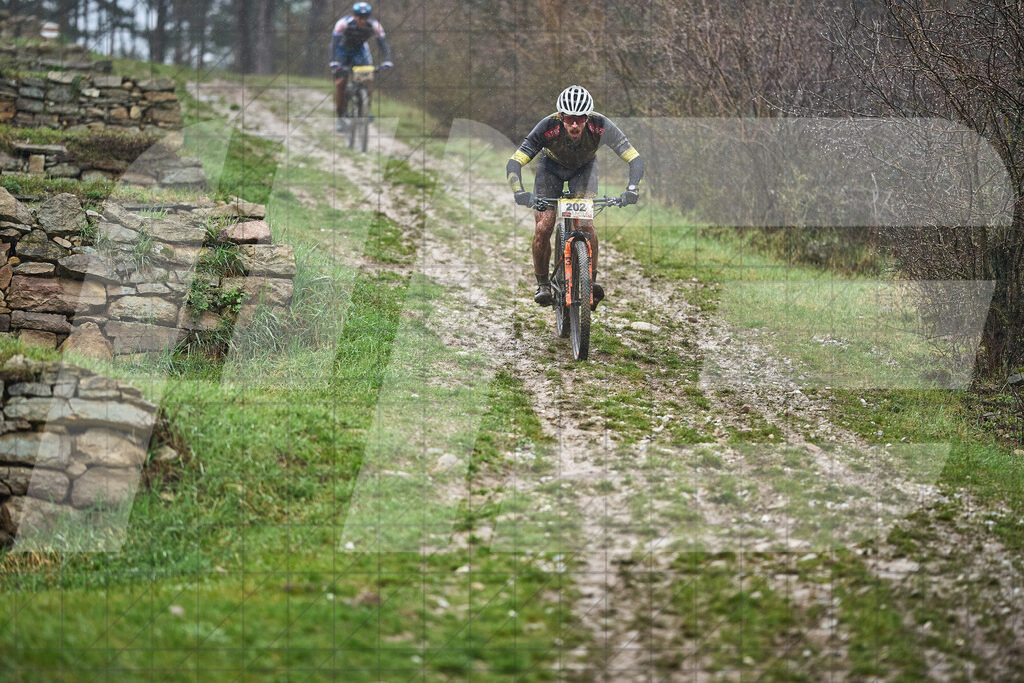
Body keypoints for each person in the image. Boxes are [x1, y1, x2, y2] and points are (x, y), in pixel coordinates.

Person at [506, 85, 644, 308]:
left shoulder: (601, 126)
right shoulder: (547, 126)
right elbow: (515, 162)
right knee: (544, 226)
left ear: (588, 117)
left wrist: (632, 188)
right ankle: (542, 284)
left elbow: (635, 159)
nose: (574, 124)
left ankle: (591, 282)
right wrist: (519, 192)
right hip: (550, 169)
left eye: (580, 119)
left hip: (584, 169)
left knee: (586, 225)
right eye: (569, 118)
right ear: (561, 116)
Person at [329, 2, 393, 132]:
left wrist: (387, 61)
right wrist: (333, 62)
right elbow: (333, 44)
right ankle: (341, 118)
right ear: (355, 16)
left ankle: (365, 109)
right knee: (341, 83)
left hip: (360, 51)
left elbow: (383, 44)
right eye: (360, 17)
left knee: (367, 78)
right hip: (342, 50)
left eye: (365, 17)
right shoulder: (343, 24)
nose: (363, 20)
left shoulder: (375, 25)